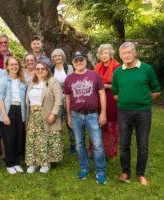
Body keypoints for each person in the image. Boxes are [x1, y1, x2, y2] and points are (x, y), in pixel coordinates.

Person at [112, 42, 161, 186]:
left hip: (143, 112)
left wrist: (143, 100)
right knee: (124, 144)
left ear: (135, 53)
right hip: (124, 112)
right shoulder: (118, 72)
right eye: (123, 53)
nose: (126, 55)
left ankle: (141, 174)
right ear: (120, 56)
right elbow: (115, 93)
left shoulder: (146, 69)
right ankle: (125, 171)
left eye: (128, 52)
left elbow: (156, 90)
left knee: (143, 144)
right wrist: (127, 101)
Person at [64, 51, 107, 185]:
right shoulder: (69, 78)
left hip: (92, 114)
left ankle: (100, 171)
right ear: (72, 63)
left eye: (81, 59)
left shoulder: (94, 75)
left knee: (98, 144)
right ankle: (84, 168)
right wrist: (68, 115)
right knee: (79, 144)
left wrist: (103, 112)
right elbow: (67, 98)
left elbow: (102, 94)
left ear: (85, 60)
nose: (79, 62)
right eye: (76, 61)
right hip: (76, 115)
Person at [25, 61, 63, 174]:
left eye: (43, 68)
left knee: (44, 139)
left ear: (47, 70)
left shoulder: (53, 82)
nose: (40, 71)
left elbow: (59, 99)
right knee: (32, 139)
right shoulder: (32, 82)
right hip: (33, 115)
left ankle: (46, 163)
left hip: (46, 114)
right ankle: (33, 162)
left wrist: (53, 113)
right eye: (38, 69)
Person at [88, 44, 120, 161]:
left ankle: (110, 152)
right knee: (96, 124)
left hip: (111, 98)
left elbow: (119, 85)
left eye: (106, 53)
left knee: (110, 125)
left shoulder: (117, 67)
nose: (104, 55)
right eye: (102, 53)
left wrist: (107, 85)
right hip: (98, 99)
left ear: (110, 54)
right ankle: (94, 149)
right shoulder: (96, 67)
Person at [0, 56, 26, 174]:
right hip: (9, 110)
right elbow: (0, 98)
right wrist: (4, 115)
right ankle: (9, 164)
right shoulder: (3, 80)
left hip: (20, 110)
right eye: (12, 64)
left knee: (19, 137)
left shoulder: (22, 80)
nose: (14, 66)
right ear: (7, 67)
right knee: (9, 139)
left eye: (16, 64)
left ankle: (17, 162)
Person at [50, 48, 76, 154]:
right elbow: (51, 84)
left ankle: (73, 144)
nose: (57, 58)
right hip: (56, 100)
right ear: (52, 58)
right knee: (57, 123)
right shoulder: (51, 70)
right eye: (55, 56)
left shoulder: (69, 67)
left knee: (70, 122)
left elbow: (71, 83)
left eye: (59, 55)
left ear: (62, 56)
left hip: (68, 98)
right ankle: (58, 145)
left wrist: (60, 85)